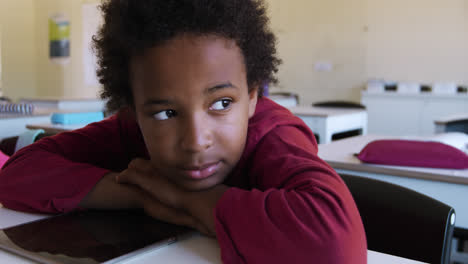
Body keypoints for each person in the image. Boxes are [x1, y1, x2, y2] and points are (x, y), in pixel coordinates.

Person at [0, 0, 367, 263]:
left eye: (222, 103)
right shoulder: (130, 130)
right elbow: (15, 175)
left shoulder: (275, 135)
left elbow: (336, 245)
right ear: (132, 109)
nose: (195, 141)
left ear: (253, 95)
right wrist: (144, 196)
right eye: (166, 113)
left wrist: (185, 198)